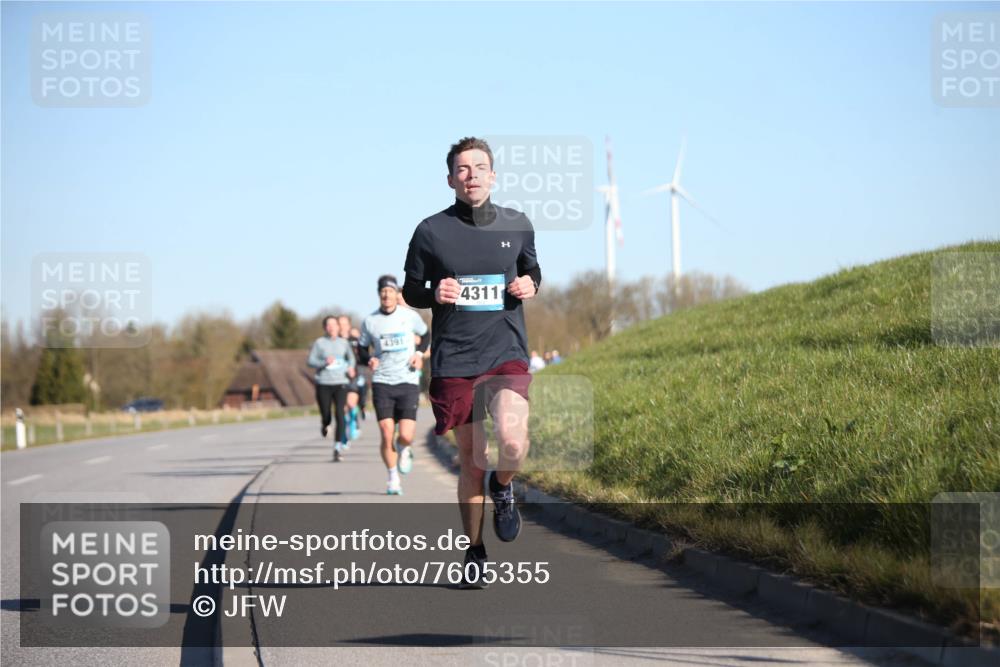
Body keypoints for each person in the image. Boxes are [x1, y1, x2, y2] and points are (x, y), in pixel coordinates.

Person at [403, 136, 541, 588]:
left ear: (493, 175)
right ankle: (475, 550)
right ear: (450, 179)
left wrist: (529, 285)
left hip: (506, 352)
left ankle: (504, 487)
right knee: (472, 461)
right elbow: (412, 290)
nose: (472, 175)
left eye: (479, 167)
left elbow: (532, 271)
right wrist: (433, 294)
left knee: (513, 442)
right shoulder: (430, 231)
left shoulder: (517, 224)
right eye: (463, 169)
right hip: (456, 359)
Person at [357, 275, 429, 495]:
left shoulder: (410, 316)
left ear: (396, 294)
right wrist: (368, 359)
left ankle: (404, 448)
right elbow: (361, 349)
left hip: (407, 380)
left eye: (390, 291)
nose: (386, 295)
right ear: (379, 294)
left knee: (405, 435)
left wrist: (418, 354)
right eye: (383, 292)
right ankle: (392, 478)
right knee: (386, 431)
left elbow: (426, 335)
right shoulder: (370, 321)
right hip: (382, 381)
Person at [307, 316, 357, 461]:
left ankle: (337, 447)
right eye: (328, 325)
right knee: (326, 413)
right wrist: (323, 362)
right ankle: (325, 424)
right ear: (325, 328)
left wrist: (350, 367)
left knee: (340, 414)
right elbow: (310, 361)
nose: (331, 327)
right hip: (323, 382)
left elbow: (351, 358)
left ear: (338, 327)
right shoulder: (319, 343)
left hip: (341, 382)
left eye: (334, 324)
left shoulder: (343, 343)